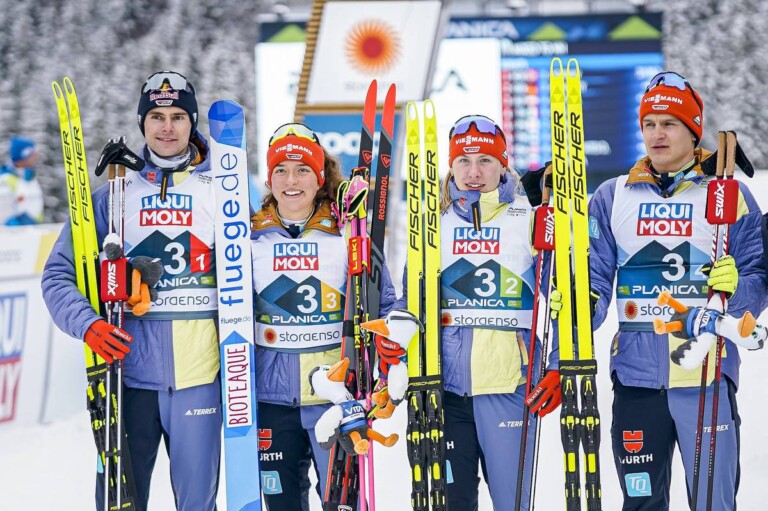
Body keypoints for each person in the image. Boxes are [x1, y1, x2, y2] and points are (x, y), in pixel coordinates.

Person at [587, 72, 767, 510]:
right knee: (642, 504)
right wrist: (573, 307)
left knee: (713, 503)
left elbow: (758, 280)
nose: (657, 134)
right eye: (649, 123)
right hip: (636, 378)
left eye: (669, 123)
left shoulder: (729, 194)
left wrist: (737, 288)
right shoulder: (612, 196)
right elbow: (594, 285)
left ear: (693, 130)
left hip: (706, 374)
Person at [42, 71, 221, 511]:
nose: (167, 127)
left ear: (192, 122)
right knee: (121, 502)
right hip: (128, 380)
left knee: (198, 504)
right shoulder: (112, 197)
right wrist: (88, 326)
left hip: (202, 380)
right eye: (156, 116)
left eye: (178, 116)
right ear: (142, 123)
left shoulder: (222, 193)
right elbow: (57, 275)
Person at [395, 114, 554, 510]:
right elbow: (409, 301)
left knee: (512, 502)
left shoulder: (527, 217)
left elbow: (564, 299)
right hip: (443, 389)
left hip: (510, 386)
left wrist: (556, 363)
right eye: (463, 161)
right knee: (452, 503)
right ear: (451, 165)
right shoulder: (431, 222)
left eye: (485, 160)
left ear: (503, 164)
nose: (474, 172)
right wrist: (394, 339)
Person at [250, 122, 396, 510]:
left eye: (302, 170)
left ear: (319, 178)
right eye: (280, 170)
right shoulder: (248, 238)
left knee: (342, 503)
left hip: (338, 394)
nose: (290, 180)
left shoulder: (350, 231)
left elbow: (386, 303)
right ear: (269, 178)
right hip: (271, 398)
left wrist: (389, 358)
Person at [0, 136, 44, 225]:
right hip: (15, 235)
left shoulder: (30, 178)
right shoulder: (6, 179)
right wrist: (16, 223)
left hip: (33, 233)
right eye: (33, 153)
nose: (36, 156)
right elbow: (3, 214)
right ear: (24, 155)